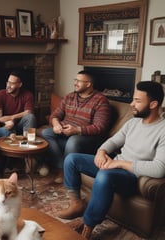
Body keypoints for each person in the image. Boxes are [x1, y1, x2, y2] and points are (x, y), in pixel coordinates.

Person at [57, 81, 165, 239]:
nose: (132, 104)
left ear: (153, 104)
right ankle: (76, 203)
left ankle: (87, 226)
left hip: (132, 177)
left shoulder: (162, 130)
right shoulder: (134, 122)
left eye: (137, 101)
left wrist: (119, 163)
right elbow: (114, 141)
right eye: (133, 99)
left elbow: (159, 168)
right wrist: (102, 151)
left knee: (105, 175)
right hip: (115, 165)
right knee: (72, 159)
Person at [41, 70, 111, 183]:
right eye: (75, 80)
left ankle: (66, 172)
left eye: (78, 81)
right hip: (65, 131)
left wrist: (76, 130)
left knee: (73, 140)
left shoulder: (100, 101)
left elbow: (100, 127)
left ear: (88, 84)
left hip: (85, 136)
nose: (75, 83)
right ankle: (60, 167)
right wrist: (56, 124)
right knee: (46, 133)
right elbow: (55, 114)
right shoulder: (70, 97)